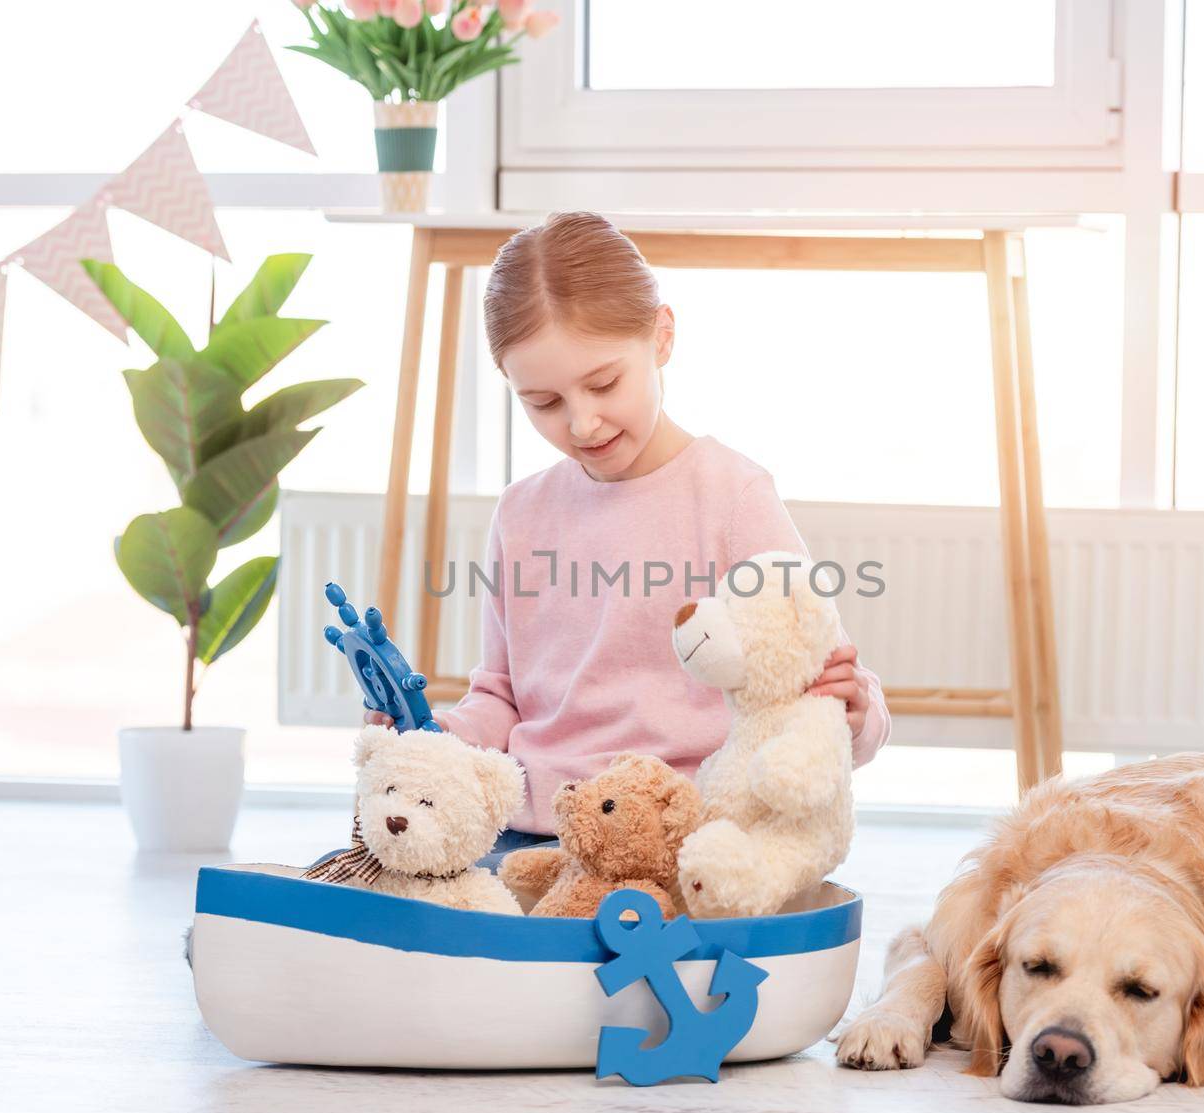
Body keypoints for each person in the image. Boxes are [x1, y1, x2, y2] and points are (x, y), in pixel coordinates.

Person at [366, 210, 891, 866]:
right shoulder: (521, 512)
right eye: (544, 402)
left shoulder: (732, 495)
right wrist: (436, 740)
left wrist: (852, 711)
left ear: (661, 336)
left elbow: (817, 682)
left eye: (604, 382)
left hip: (681, 832)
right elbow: (500, 695)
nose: (582, 422)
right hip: (537, 830)